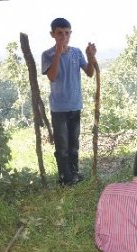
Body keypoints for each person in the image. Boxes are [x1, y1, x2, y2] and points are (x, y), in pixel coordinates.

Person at [41, 17, 96, 186]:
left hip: (75, 105)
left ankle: (74, 174)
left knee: (74, 145)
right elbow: (52, 76)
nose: (63, 37)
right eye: (59, 33)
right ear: (52, 34)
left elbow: (89, 73)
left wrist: (90, 56)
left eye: (67, 33)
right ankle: (64, 178)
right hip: (59, 108)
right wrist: (58, 51)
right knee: (62, 146)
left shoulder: (77, 52)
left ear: (70, 33)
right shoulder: (47, 54)